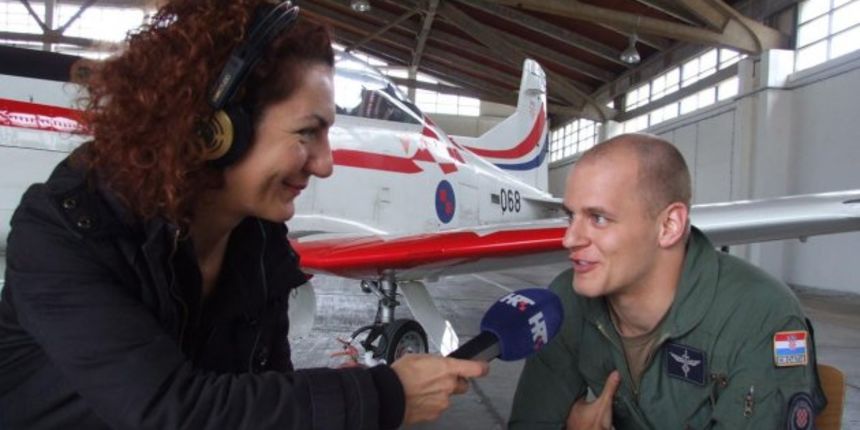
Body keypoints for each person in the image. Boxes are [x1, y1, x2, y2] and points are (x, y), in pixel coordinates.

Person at [0, 1, 487, 429]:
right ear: (214, 129)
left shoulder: (257, 243)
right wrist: (386, 396)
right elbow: (174, 411)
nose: (325, 163)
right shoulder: (64, 233)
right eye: (307, 132)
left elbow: (266, 387)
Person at [509, 133, 825, 429]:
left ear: (669, 226)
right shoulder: (567, 299)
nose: (569, 238)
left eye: (598, 218)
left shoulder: (760, 316)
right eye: (570, 216)